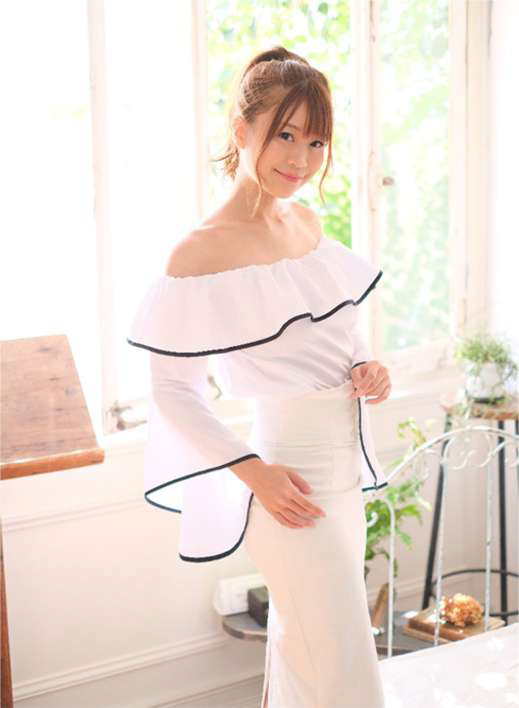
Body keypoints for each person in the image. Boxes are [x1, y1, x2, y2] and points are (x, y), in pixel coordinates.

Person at [128, 45, 391, 708]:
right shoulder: (198, 252)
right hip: (285, 485)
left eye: (316, 141)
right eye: (285, 135)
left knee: (308, 657)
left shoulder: (306, 221)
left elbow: (341, 335)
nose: (300, 159)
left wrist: (367, 367)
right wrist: (255, 474)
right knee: (345, 670)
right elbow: (173, 390)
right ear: (241, 129)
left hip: (343, 480)